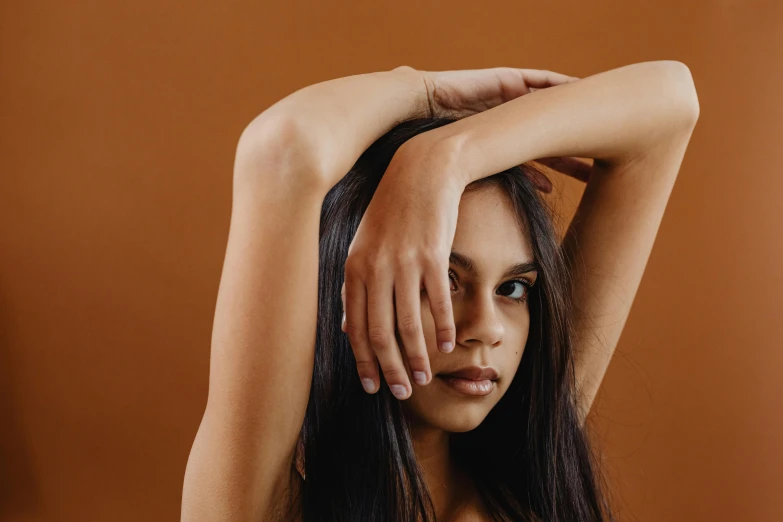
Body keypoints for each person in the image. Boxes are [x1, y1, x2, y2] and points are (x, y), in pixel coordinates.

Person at [181, 62, 700, 522]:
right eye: (442, 279)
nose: (487, 329)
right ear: (348, 286)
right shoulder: (262, 508)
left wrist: (449, 154)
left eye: (513, 288)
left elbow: (674, 100)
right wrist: (426, 94)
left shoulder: (530, 475)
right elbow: (284, 147)